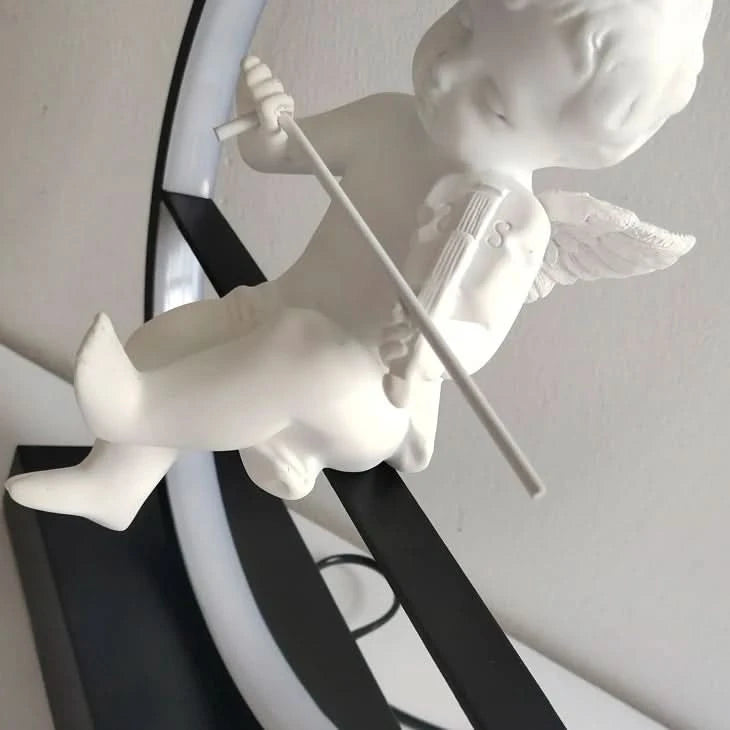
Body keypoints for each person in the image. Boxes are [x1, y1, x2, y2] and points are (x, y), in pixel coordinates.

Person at [6, 0, 713, 530]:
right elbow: (277, 154)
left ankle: (142, 411)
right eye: (463, 27)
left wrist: (431, 347)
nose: (447, 72)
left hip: (369, 394)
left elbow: (475, 333)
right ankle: (115, 485)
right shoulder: (390, 120)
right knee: (173, 336)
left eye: (494, 102)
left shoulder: (512, 224)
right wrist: (267, 120)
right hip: (280, 307)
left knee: (302, 349)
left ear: (570, 148)